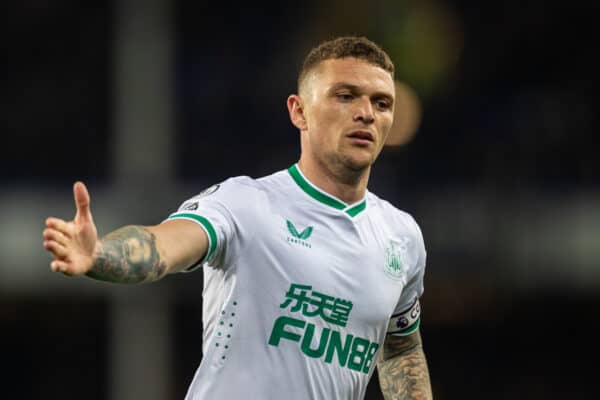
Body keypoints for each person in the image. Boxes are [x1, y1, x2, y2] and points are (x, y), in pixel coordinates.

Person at [43, 36, 433, 400]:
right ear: (299, 112)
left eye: (382, 103)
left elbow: (400, 347)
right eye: (345, 96)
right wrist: (100, 255)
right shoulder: (246, 203)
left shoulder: (401, 237)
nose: (366, 113)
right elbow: (163, 243)